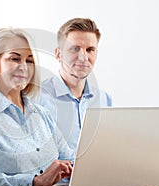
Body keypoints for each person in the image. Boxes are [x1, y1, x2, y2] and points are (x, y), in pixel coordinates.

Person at [0, 28, 74, 186]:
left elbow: (70, 159)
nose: (23, 67)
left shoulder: (42, 114)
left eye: (29, 61)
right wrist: (34, 181)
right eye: (14, 59)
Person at [39, 18, 113, 152]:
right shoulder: (37, 98)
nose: (83, 57)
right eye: (75, 49)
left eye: (90, 50)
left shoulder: (104, 100)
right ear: (58, 54)